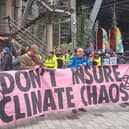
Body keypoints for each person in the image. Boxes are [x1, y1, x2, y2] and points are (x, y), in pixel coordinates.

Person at [68, 48, 92, 113]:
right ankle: (73, 107)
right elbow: (70, 66)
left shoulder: (85, 58)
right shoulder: (73, 58)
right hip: (74, 78)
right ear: (76, 52)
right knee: (74, 92)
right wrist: (79, 65)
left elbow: (90, 65)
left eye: (82, 51)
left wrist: (86, 64)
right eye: (79, 51)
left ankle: (80, 106)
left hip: (82, 79)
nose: (81, 53)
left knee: (82, 92)